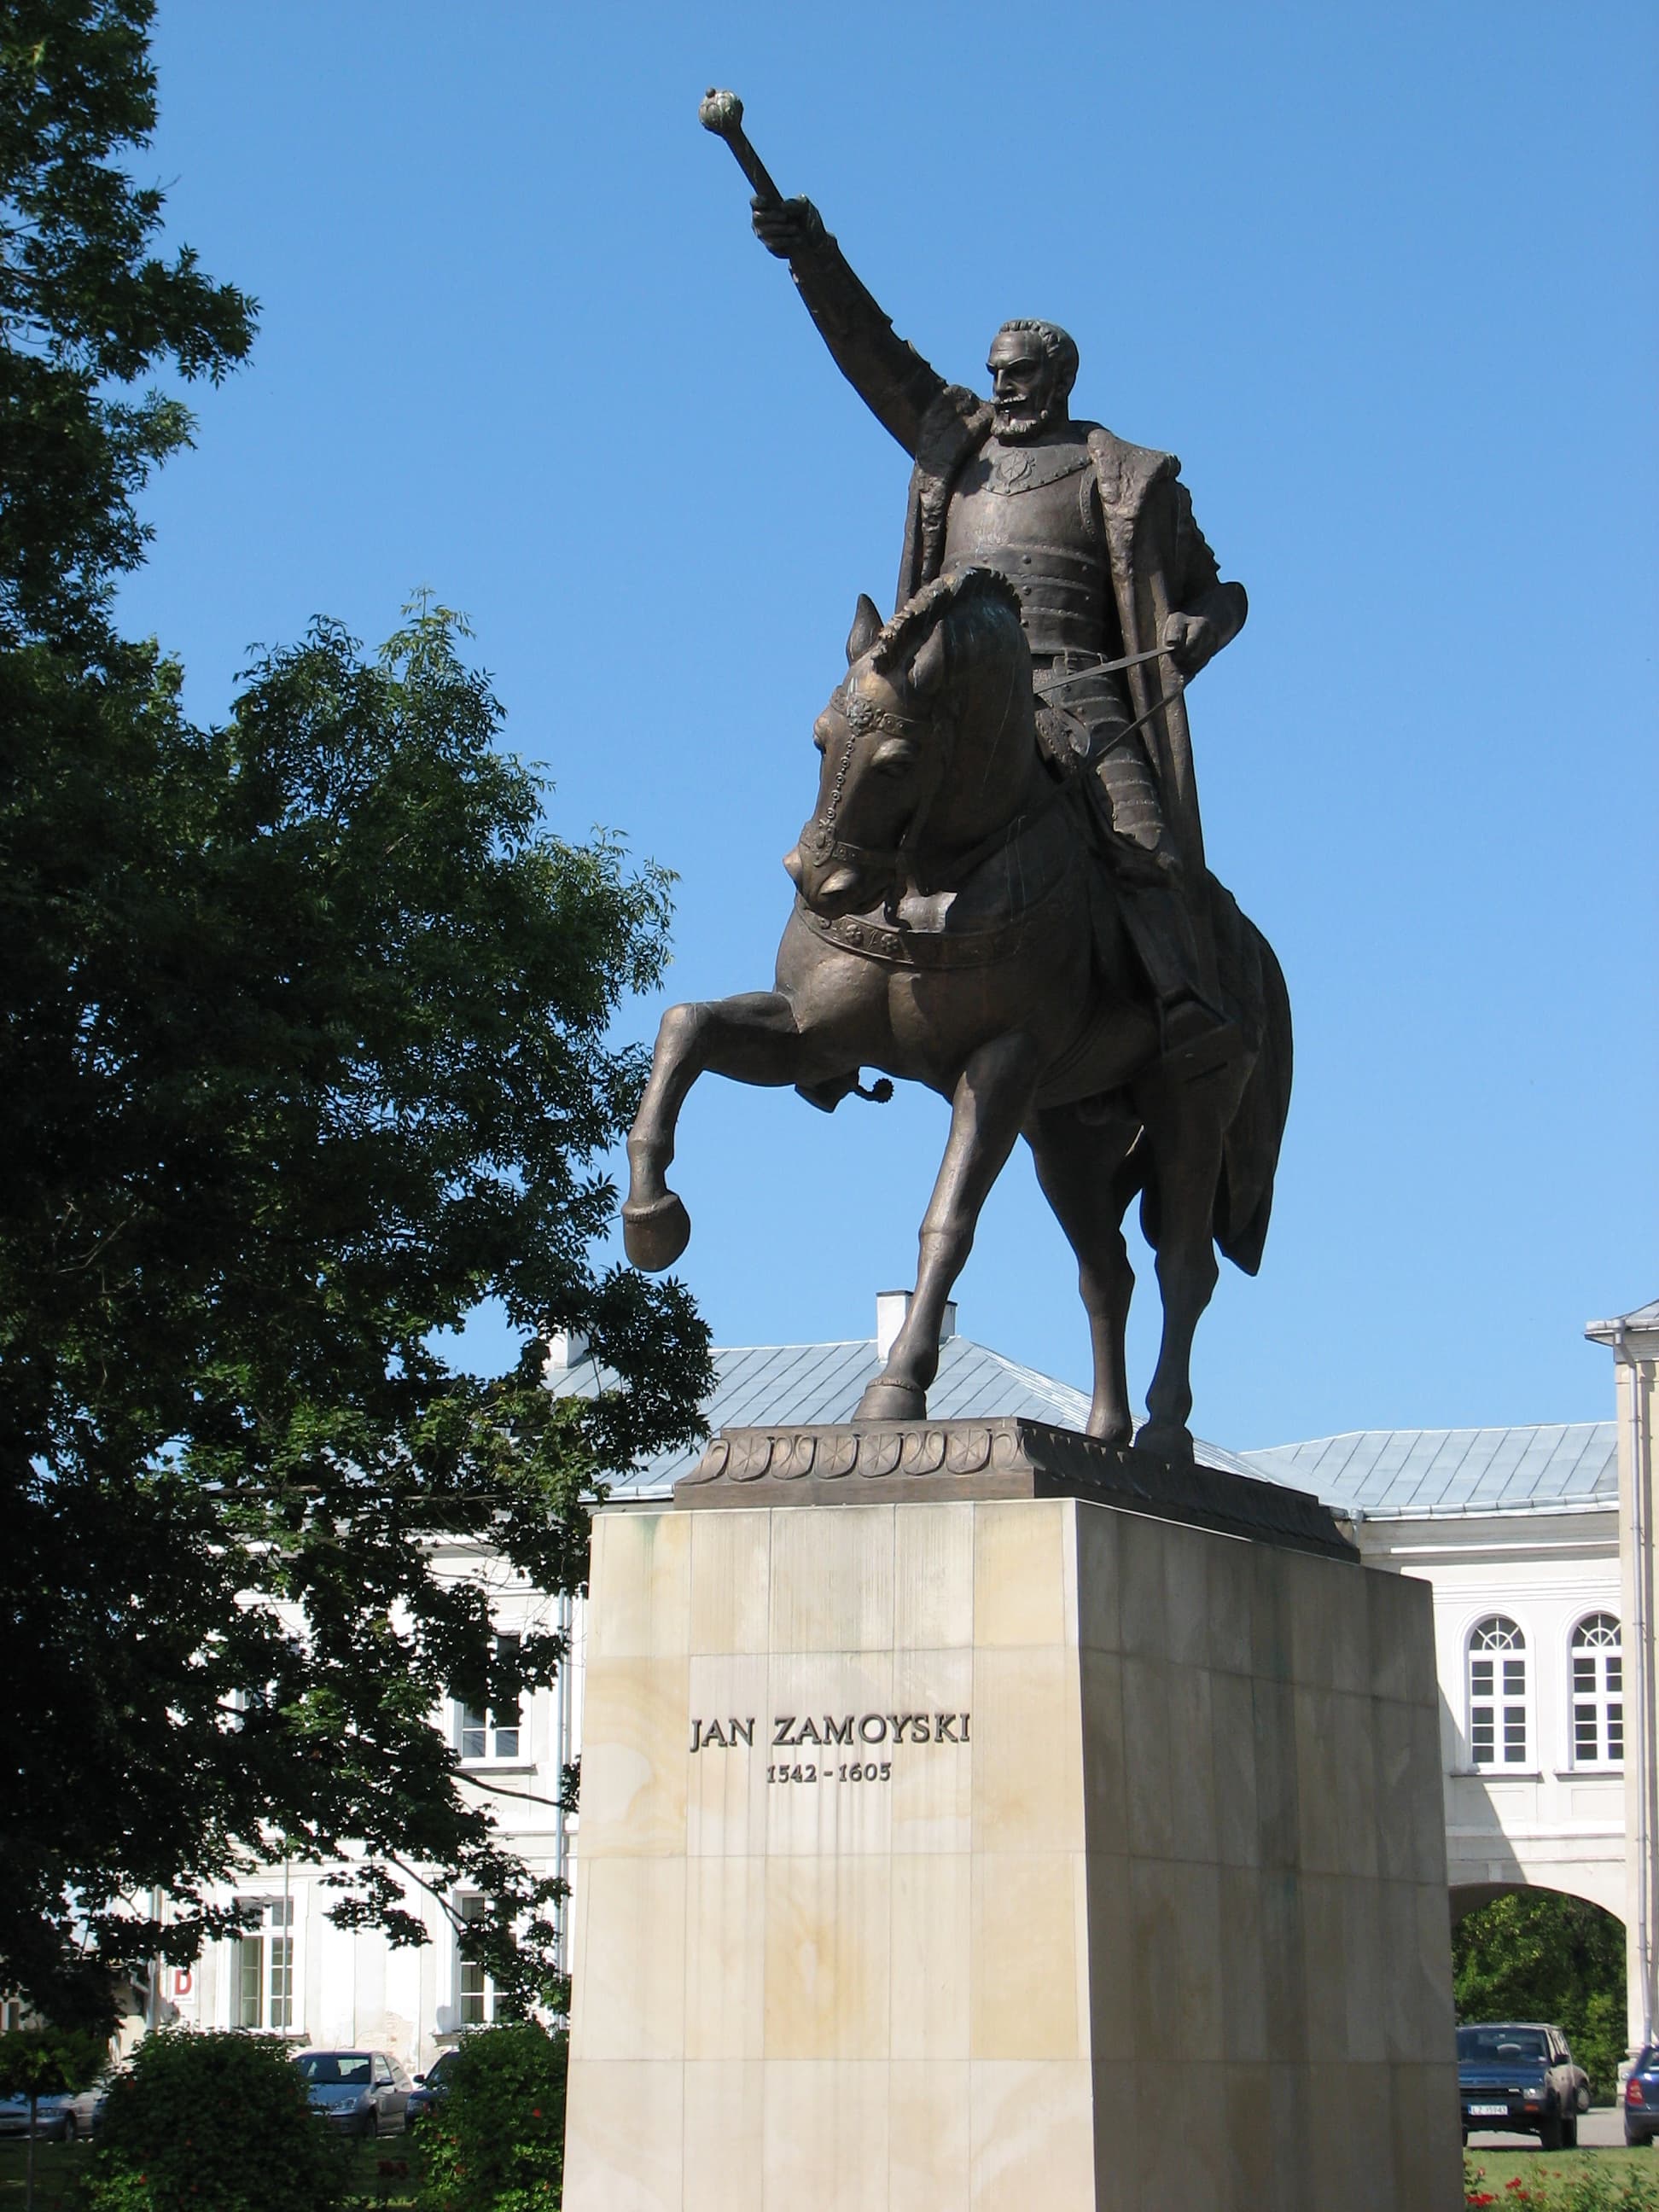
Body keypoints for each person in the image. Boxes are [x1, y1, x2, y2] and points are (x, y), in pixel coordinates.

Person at [750, 193, 1248, 1049]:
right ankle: (820, 1015)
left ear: (1059, 379)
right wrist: (811, 256)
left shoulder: (1129, 477)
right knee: (854, 800)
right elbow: (871, 352)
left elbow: (1220, 591)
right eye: (994, 373)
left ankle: (1186, 1013)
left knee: (1149, 848)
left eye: (1017, 374)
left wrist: (1202, 626)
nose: (1002, 387)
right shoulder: (955, 442)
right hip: (944, 693)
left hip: (1079, 697)